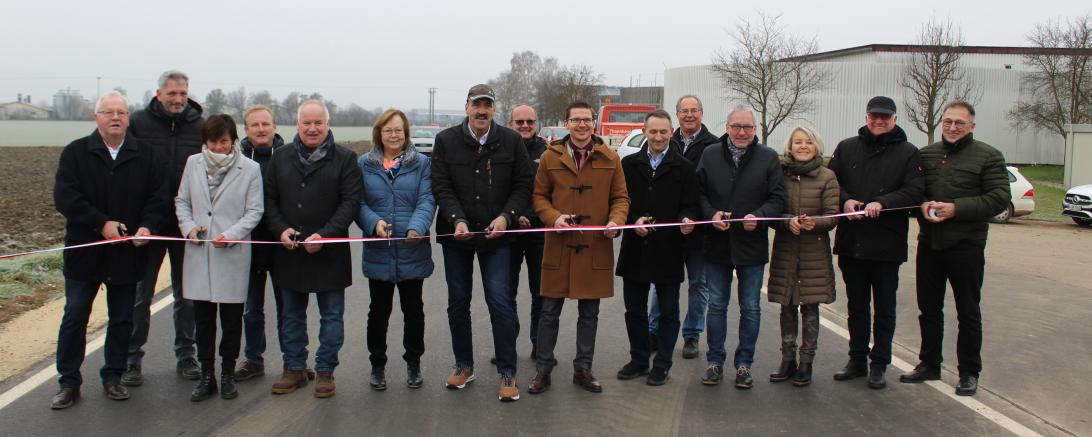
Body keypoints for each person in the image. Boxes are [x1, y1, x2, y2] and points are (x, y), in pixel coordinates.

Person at [51, 91, 167, 409]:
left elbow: (158, 198)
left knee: (121, 319)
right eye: (108, 112)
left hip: (127, 254)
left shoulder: (145, 154)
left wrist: (148, 226)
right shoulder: (76, 153)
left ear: (128, 118)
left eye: (121, 112)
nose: (115, 117)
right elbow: (66, 198)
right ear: (96, 117)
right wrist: (101, 224)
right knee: (75, 315)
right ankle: (68, 382)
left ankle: (113, 376)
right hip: (84, 252)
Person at [430, 84, 532, 402]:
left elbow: (523, 184)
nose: (482, 111)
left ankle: (508, 371)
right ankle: (464, 365)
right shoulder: (446, 141)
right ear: (467, 108)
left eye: (487, 105)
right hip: (457, 234)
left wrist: (506, 217)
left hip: (497, 236)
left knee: (500, 302)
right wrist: (456, 219)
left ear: (494, 109)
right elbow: (441, 186)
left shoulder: (512, 141)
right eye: (477, 105)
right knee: (458, 303)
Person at [900, 101, 1009, 396]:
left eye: (959, 123)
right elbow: (914, 192)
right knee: (929, 309)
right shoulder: (926, 155)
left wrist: (956, 208)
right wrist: (921, 206)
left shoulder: (988, 156)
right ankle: (929, 363)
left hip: (966, 246)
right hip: (930, 245)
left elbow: (999, 197)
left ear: (971, 126)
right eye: (948, 122)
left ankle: (969, 372)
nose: (952, 127)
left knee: (968, 312)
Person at [528, 102, 629, 395]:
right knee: (548, 311)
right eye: (576, 120)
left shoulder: (610, 158)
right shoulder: (550, 157)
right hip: (558, 246)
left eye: (587, 120)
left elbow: (621, 198)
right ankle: (543, 369)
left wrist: (615, 221)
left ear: (594, 123)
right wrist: (554, 217)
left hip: (595, 246)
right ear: (567, 122)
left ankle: (583, 368)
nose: (582, 125)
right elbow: (539, 197)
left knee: (590, 313)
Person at [264, 100, 363, 398]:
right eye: (306, 123)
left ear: (327, 124)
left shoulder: (345, 159)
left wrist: (326, 234)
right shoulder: (279, 158)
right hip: (290, 251)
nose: (312, 128)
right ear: (297, 125)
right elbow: (268, 201)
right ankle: (294, 368)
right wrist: (281, 229)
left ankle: (325, 371)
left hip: (329, 252)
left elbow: (350, 203)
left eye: (318, 122)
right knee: (291, 315)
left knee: (331, 317)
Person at [828, 96, 924, 389]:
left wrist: (882, 202)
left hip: (886, 246)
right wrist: (845, 202)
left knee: (884, 308)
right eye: (873, 116)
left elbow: (915, 191)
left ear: (894, 119)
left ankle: (880, 362)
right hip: (852, 242)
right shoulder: (847, 148)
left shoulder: (908, 153)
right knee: (857, 306)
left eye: (884, 117)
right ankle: (857, 358)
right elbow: (831, 182)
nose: (878, 121)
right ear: (866, 116)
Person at [123, 70, 205, 386]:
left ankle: (187, 356)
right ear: (159, 94)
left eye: (182, 94)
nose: (177, 99)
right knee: (140, 295)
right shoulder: (139, 124)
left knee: (187, 296)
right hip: (149, 223)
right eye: (171, 94)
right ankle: (131, 360)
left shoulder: (199, 126)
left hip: (187, 225)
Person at [175, 114, 264, 401]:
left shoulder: (249, 169)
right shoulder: (193, 164)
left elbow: (254, 211)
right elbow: (182, 201)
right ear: (206, 141)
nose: (218, 148)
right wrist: (188, 228)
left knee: (231, 320)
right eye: (213, 142)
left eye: (224, 141)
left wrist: (233, 234)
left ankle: (227, 374)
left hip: (231, 254)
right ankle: (206, 375)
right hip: (200, 253)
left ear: (233, 140)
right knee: (203, 321)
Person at [696, 105, 785, 389]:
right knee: (717, 306)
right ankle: (715, 361)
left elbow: (778, 198)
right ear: (727, 126)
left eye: (747, 127)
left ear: (755, 129)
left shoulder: (768, 157)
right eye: (736, 127)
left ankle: (745, 364)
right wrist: (711, 214)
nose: (742, 132)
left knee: (750, 308)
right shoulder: (709, 154)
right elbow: (698, 193)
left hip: (751, 245)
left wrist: (759, 217)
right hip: (717, 244)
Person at [616, 110, 698, 386]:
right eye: (653, 132)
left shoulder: (685, 168)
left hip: (669, 248)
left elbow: (690, 203)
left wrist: (686, 218)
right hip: (636, 247)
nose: (658, 137)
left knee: (668, 311)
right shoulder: (628, 165)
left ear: (671, 132)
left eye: (664, 132)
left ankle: (662, 363)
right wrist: (631, 220)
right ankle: (639, 359)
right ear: (645, 131)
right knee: (634, 309)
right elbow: (619, 202)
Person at [357, 109, 436, 391]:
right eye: (388, 130)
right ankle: (377, 365)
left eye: (399, 130)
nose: (393, 135)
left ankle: (413, 363)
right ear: (379, 133)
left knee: (413, 311)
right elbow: (358, 203)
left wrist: (416, 228)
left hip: (411, 249)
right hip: (379, 251)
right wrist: (373, 223)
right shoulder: (364, 164)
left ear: (406, 134)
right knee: (378, 312)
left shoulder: (422, 164)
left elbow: (427, 200)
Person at [765, 126, 840, 387]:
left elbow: (833, 215)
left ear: (816, 146)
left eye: (808, 142)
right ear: (790, 146)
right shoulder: (780, 175)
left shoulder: (828, 176)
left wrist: (814, 223)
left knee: (810, 307)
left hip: (813, 252)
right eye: (798, 142)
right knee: (787, 306)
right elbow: (773, 211)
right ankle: (787, 359)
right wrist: (787, 222)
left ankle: (806, 362)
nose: (803, 146)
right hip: (786, 249)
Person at [648, 94, 719, 359]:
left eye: (694, 110)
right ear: (677, 114)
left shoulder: (714, 145)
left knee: (698, 284)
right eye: (684, 111)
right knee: (661, 283)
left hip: (699, 231)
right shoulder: (667, 140)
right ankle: (654, 331)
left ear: (702, 113)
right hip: (668, 231)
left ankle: (691, 335)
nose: (689, 115)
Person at [235, 105, 294, 381]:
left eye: (265, 124)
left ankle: (292, 361)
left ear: (274, 127)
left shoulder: (289, 157)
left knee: (288, 308)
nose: (261, 129)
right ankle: (254, 359)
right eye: (255, 125)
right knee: (251, 309)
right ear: (245, 129)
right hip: (248, 245)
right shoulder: (236, 159)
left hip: (281, 244)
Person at [506, 104, 548, 360]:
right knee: (505, 293)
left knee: (540, 294)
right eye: (519, 122)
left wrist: (531, 215)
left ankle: (539, 344)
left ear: (537, 124)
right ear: (510, 123)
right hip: (508, 231)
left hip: (539, 232)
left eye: (529, 122)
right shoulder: (501, 148)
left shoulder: (548, 151)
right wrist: (513, 215)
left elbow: (551, 190)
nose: (524, 126)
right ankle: (507, 343)